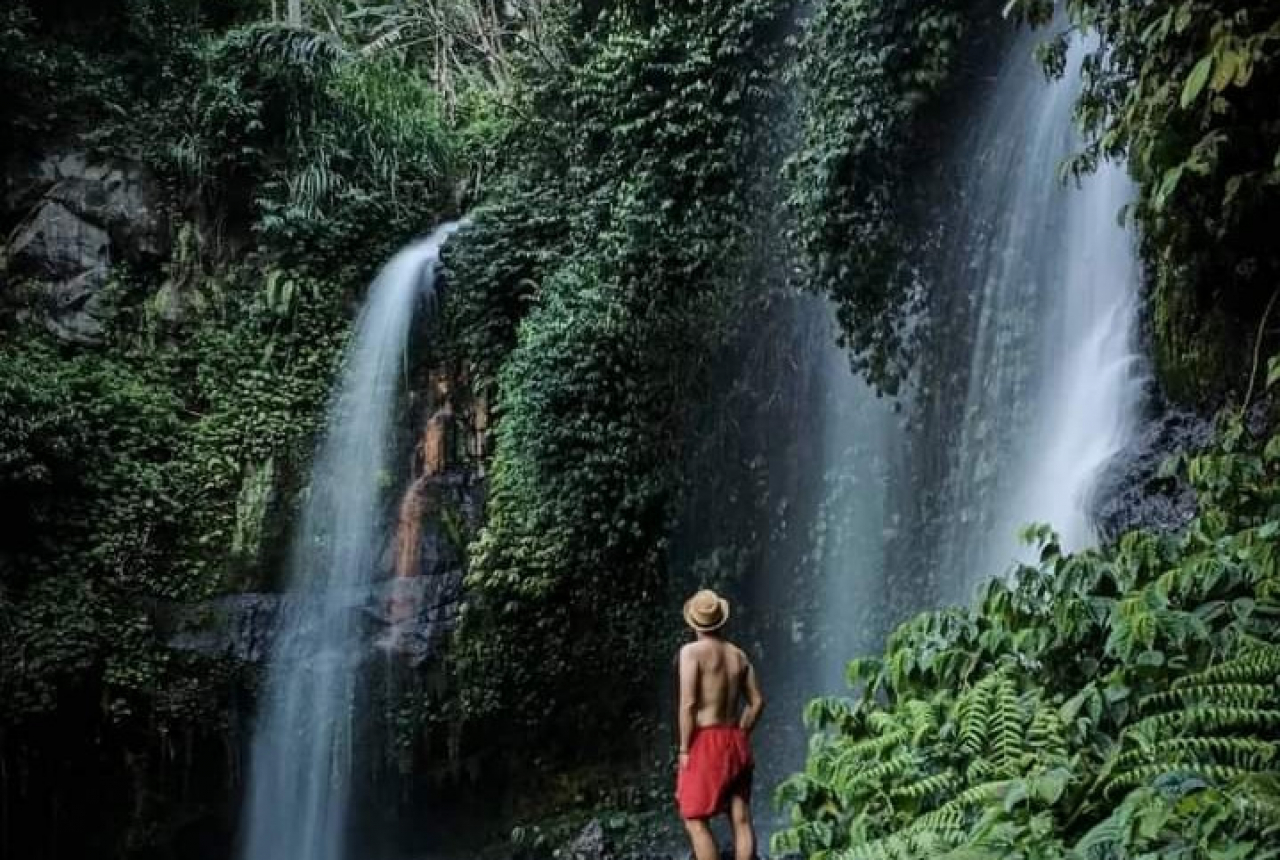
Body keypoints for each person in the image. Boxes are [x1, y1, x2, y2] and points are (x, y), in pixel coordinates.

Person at [676, 588, 766, 860]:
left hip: (706, 739)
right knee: (740, 816)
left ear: (694, 622)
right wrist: (741, 732)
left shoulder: (691, 652)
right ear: (721, 621)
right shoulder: (738, 655)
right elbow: (757, 702)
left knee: (693, 816)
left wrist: (684, 748)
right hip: (734, 737)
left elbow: (689, 703)